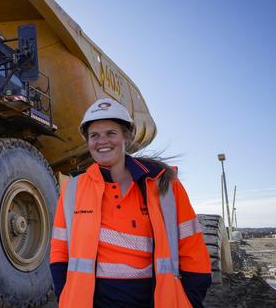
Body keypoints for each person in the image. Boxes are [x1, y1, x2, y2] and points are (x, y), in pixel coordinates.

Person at [50, 98, 212, 307]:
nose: (102, 141)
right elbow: (59, 250)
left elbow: (192, 248)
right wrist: (65, 296)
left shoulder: (164, 184)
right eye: (94, 135)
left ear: (126, 136)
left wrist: (190, 299)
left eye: (111, 133)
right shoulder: (73, 190)